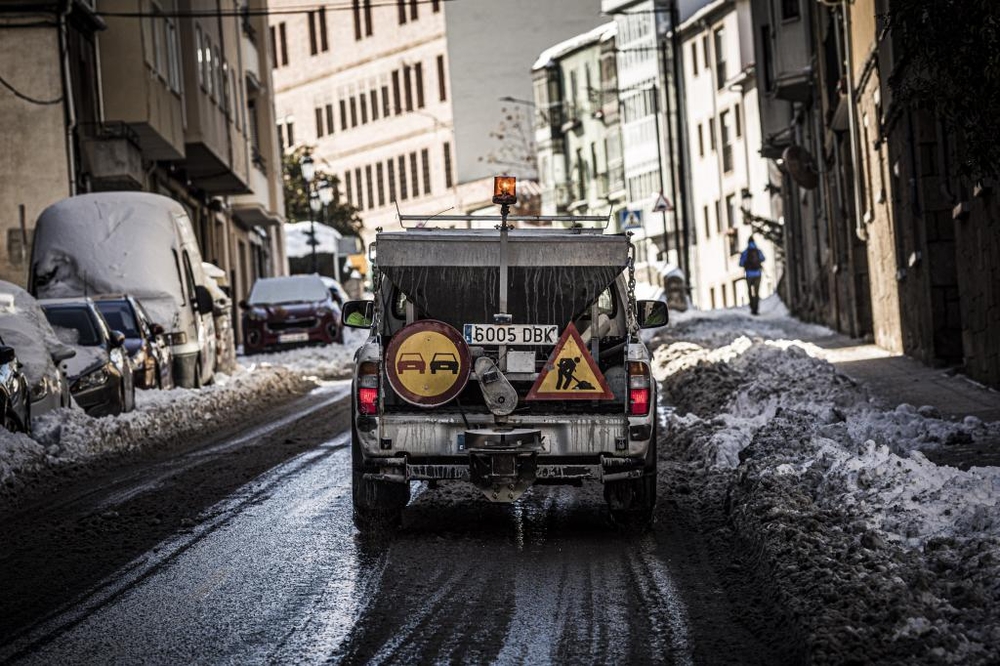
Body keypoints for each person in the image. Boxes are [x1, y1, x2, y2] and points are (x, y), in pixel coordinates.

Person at [739, 236, 765, 315]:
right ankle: (756, 308)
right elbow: (763, 258)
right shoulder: (758, 251)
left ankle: (752, 306)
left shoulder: (745, 252)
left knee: (750, 291)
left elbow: (741, 263)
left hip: (749, 274)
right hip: (757, 273)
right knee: (756, 292)